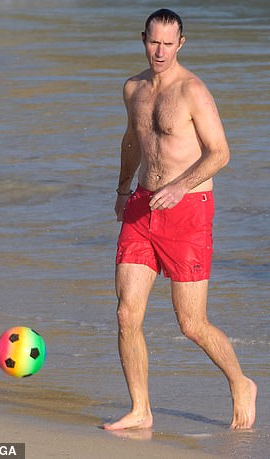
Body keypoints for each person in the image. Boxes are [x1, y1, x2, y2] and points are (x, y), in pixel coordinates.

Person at [103, 8, 257, 431]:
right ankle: (140, 409)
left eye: (169, 44)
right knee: (126, 315)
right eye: (154, 41)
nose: (161, 50)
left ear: (181, 44)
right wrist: (122, 189)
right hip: (140, 207)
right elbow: (133, 139)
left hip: (187, 210)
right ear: (143, 39)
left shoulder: (193, 91)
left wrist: (180, 186)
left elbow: (220, 153)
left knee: (191, 323)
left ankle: (240, 382)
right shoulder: (133, 88)